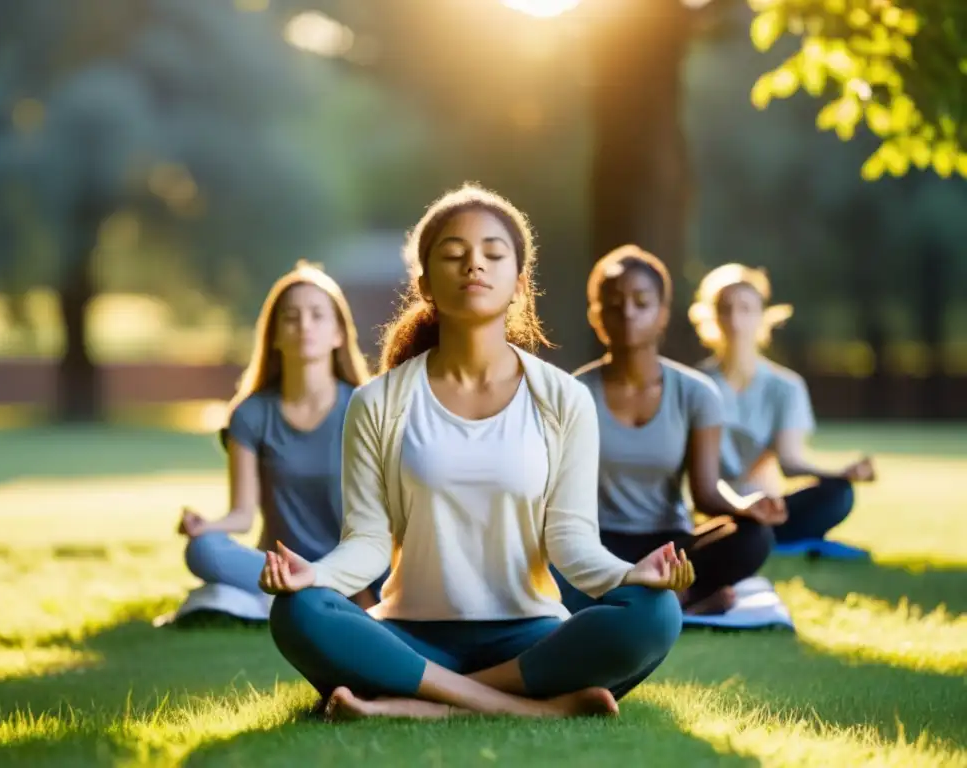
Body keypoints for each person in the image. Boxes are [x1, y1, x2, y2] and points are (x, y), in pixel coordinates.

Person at [258, 184, 694, 721]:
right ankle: (524, 708)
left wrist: (632, 575)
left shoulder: (564, 399)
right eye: (453, 255)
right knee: (299, 612)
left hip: (527, 639)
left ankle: (416, 703)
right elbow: (368, 544)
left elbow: (572, 542)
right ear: (425, 284)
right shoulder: (379, 402)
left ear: (519, 282)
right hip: (411, 637)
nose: (474, 266)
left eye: (492, 253)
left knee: (655, 613)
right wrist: (316, 577)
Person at [559, 246, 785, 616]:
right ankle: (680, 604)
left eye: (641, 302)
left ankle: (665, 599)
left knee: (753, 538)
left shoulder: (696, 393)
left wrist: (745, 506)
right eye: (614, 305)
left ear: (662, 314)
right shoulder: (573, 392)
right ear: (596, 317)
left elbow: (706, 494)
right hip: (595, 544)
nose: (628, 312)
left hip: (669, 546)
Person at [179, 261, 379, 610]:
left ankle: (310, 593)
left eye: (317, 315)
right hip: (279, 565)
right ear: (274, 334)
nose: (304, 325)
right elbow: (241, 515)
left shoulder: (365, 406)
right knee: (203, 550)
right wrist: (207, 526)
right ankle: (314, 594)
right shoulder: (250, 414)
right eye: (291, 317)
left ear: (338, 334)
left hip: (352, 566)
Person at [688, 263, 876, 553]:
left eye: (745, 309)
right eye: (725, 308)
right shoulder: (693, 385)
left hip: (769, 508)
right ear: (711, 316)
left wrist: (841, 472)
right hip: (715, 509)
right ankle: (776, 543)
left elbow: (790, 462)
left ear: (762, 316)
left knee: (838, 494)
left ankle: (762, 540)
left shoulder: (786, 386)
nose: (735, 319)